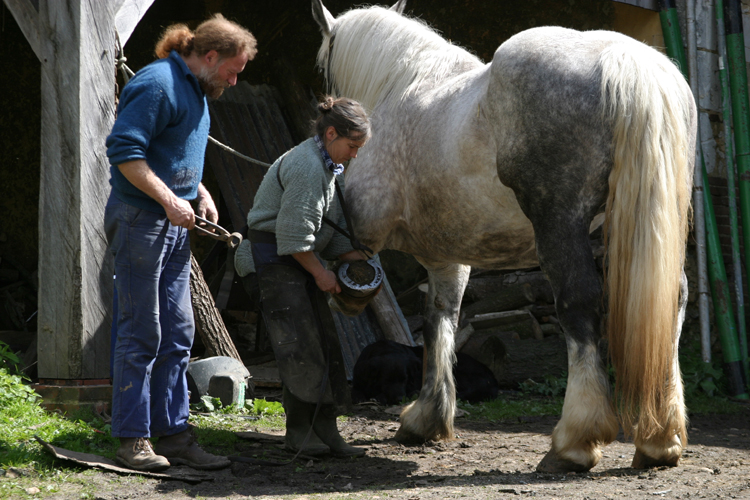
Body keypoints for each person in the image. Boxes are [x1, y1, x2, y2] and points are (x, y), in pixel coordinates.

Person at [104, 14, 257, 472]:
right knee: (140, 331)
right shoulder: (157, 84)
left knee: (178, 331)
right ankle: (132, 440)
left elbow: (177, 150)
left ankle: (173, 434)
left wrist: (199, 191)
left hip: (172, 224)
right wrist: (172, 199)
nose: (234, 80)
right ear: (209, 56)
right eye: (232, 69)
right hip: (140, 221)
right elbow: (125, 152)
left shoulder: (198, 88)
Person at [234, 96, 371, 458]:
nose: (354, 154)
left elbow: (333, 223)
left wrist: (353, 259)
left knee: (324, 345)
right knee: (298, 348)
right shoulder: (309, 167)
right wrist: (323, 274)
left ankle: (327, 431)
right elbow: (294, 237)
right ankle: (299, 434)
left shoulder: (327, 165)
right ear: (330, 134)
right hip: (271, 263)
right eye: (352, 145)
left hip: (296, 262)